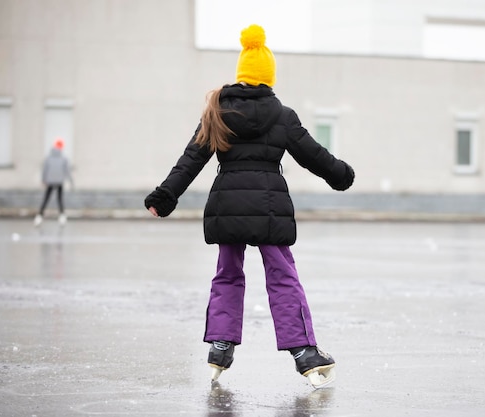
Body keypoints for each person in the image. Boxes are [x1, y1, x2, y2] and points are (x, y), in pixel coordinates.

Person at [144, 24, 354, 389]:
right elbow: (313, 155)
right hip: (270, 207)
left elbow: (191, 159)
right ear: (268, 78)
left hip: (227, 204)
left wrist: (165, 196)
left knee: (227, 273)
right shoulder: (282, 115)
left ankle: (220, 346)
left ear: (241, 75)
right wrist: (341, 175)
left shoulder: (217, 111)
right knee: (282, 276)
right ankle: (304, 352)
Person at [34, 138, 73, 226]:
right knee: (60, 199)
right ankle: (62, 216)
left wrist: (43, 180)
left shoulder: (48, 158)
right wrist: (70, 181)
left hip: (50, 181)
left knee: (46, 199)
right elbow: (67, 171)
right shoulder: (64, 158)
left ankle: (39, 216)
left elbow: (45, 170)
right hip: (59, 181)